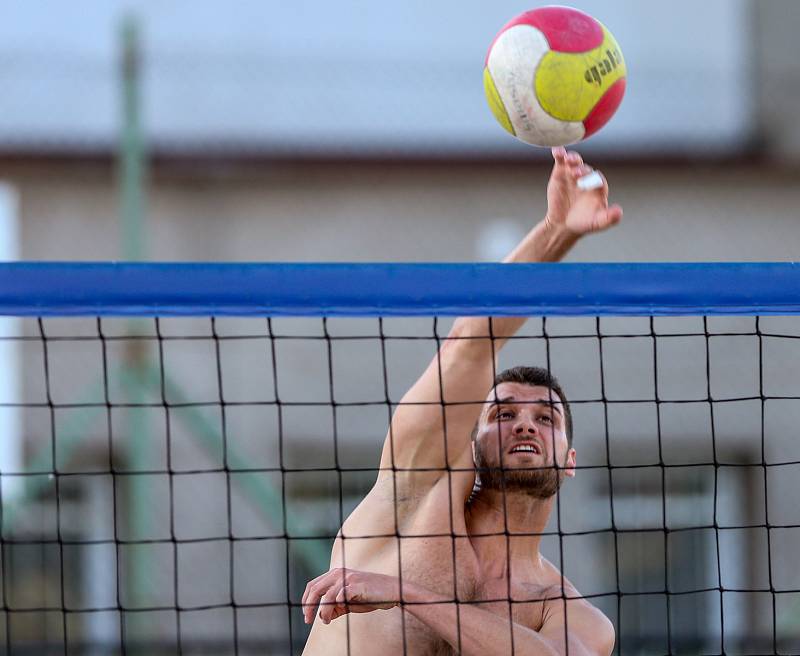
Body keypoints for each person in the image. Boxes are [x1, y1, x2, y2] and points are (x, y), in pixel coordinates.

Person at [301, 147, 623, 656]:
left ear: (569, 462)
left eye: (546, 418)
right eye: (502, 413)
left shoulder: (565, 611)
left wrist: (407, 595)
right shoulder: (410, 498)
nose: (525, 425)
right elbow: (471, 344)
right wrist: (557, 232)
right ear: (469, 445)